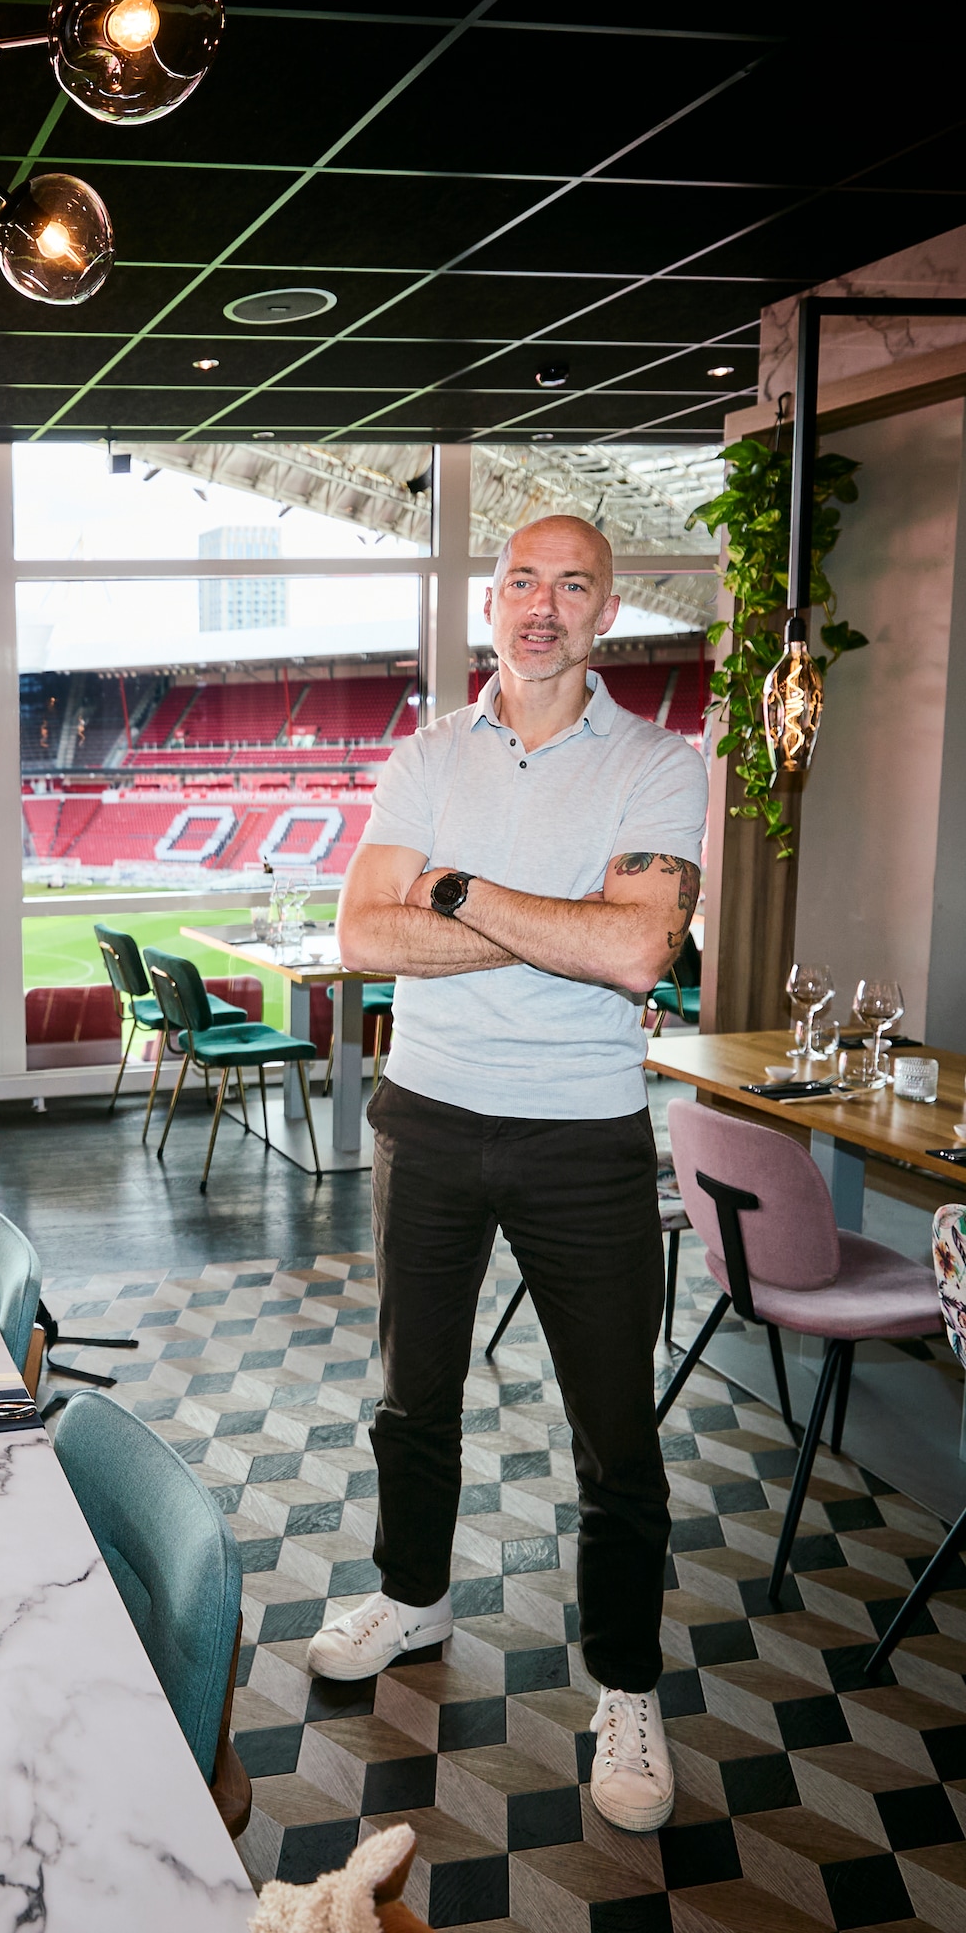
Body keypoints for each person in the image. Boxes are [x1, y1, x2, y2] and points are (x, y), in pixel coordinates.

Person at [320, 513, 707, 1835]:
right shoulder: (426, 755)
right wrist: (566, 928)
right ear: (493, 602)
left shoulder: (664, 762)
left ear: (609, 613)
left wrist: (461, 890)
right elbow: (364, 931)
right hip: (426, 1116)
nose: (544, 606)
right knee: (411, 1398)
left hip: (582, 1135)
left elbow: (641, 956)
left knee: (619, 1442)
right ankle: (415, 1593)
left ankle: (624, 1682)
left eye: (574, 586)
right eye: (523, 581)